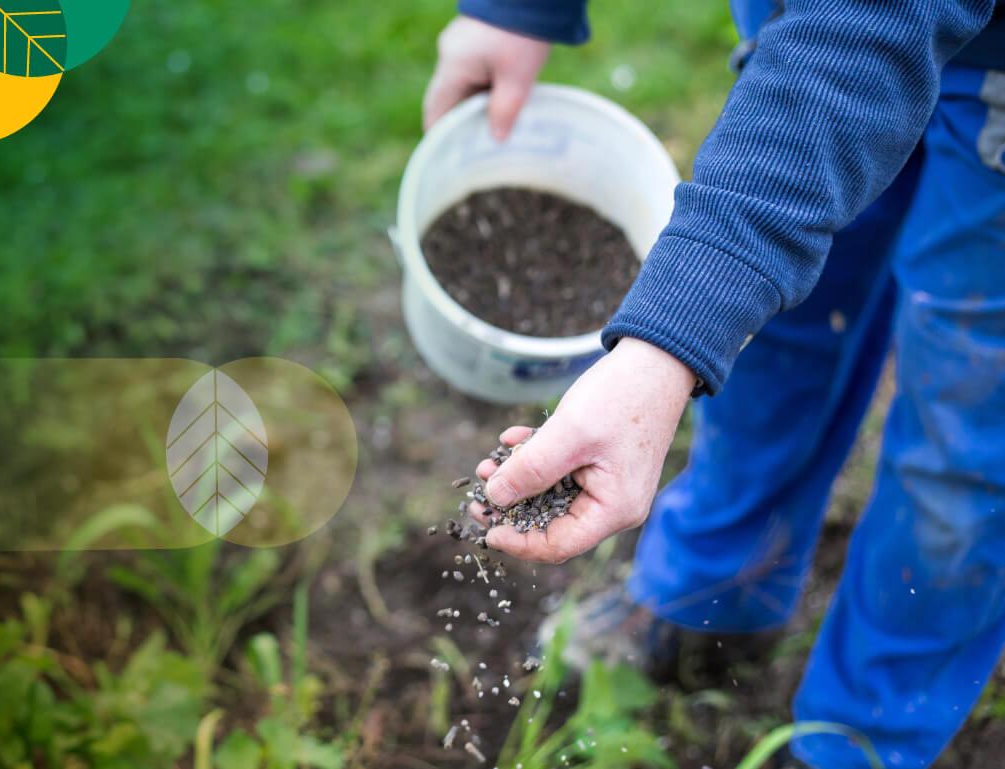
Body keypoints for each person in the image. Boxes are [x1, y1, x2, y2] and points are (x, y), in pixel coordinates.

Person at [423, 1, 1005, 768]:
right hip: (803, 25)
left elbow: (869, 26)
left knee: (965, 428)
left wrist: (665, 344)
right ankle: (710, 597)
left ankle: (862, 735)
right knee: (772, 328)